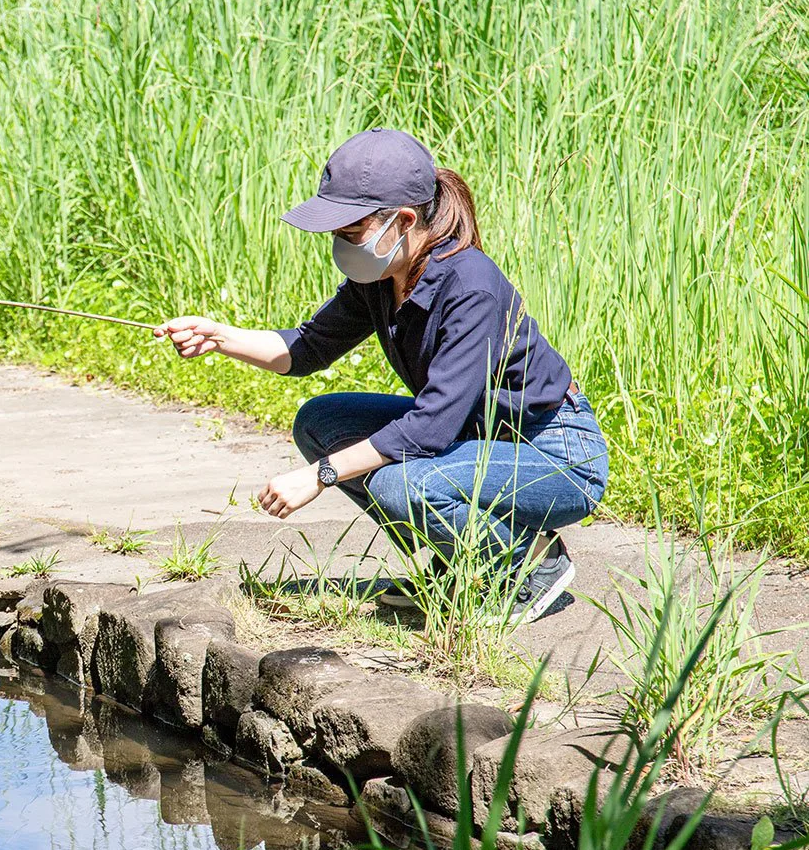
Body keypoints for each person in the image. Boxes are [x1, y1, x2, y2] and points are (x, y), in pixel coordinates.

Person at [154, 128, 608, 624]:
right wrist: (220, 336)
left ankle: (527, 564)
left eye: (350, 234)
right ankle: (463, 559)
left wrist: (320, 475)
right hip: (477, 442)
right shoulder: (381, 277)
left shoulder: (469, 286)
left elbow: (429, 428)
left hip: (556, 454)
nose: (339, 245)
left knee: (399, 483)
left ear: (404, 220)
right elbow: (306, 349)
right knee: (320, 422)